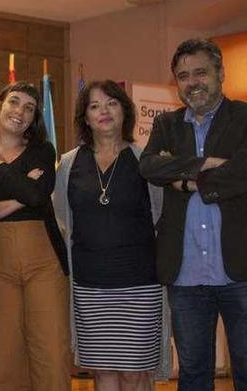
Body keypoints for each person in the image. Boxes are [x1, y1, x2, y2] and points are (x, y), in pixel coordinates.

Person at [139, 38, 247, 391]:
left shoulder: (244, 118)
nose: (192, 82)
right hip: (185, 275)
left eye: (200, 72)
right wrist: (204, 164)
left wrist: (186, 183)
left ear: (220, 73)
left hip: (240, 271)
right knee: (194, 374)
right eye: (183, 76)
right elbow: (150, 166)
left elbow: (241, 174)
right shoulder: (166, 125)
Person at [54, 80, 171, 391]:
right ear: (85, 117)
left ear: (125, 111)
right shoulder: (68, 163)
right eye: (94, 106)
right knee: (103, 371)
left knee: (136, 371)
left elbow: (161, 215)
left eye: (111, 103)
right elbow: (64, 218)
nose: (103, 111)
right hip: (90, 285)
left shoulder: (144, 158)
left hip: (140, 283)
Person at [0, 81, 70, 391]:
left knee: (51, 348)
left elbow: (38, 193)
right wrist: (25, 195)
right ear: (0, 104)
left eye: (29, 108)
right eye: (14, 102)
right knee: (3, 351)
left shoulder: (42, 150)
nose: (20, 111)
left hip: (45, 261)